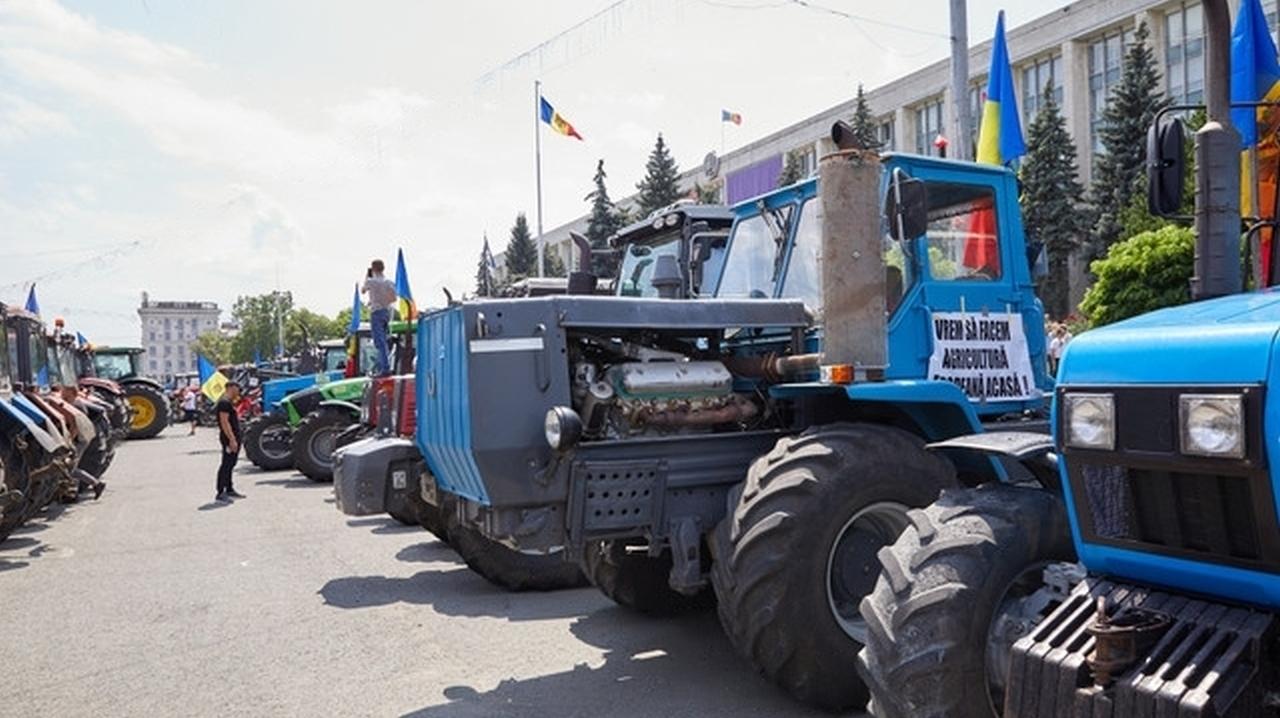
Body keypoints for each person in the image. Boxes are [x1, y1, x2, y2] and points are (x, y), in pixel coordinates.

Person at [361, 258, 397, 376]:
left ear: (373, 268)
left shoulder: (371, 281)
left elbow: (362, 290)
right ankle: (385, 365)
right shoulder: (389, 282)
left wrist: (367, 276)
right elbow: (394, 298)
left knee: (379, 342)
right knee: (384, 341)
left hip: (376, 312)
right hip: (386, 312)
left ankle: (385, 368)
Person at [215, 381, 246, 503]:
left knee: (231, 463)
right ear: (231, 388)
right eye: (238, 389)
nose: (238, 392)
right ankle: (220, 491)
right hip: (228, 438)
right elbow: (224, 422)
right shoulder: (224, 402)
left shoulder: (228, 402)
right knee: (226, 464)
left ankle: (229, 488)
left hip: (234, 436)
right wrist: (232, 439)